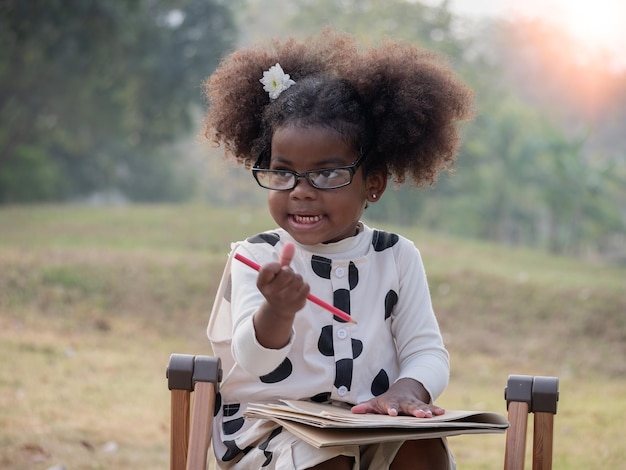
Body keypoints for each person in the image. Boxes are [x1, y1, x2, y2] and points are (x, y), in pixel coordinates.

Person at [203, 30, 473, 470]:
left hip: (370, 425)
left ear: (375, 183)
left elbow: (427, 352)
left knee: (424, 451)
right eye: (283, 173)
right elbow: (252, 360)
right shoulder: (258, 258)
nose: (301, 192)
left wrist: (409, 389)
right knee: (329, 460)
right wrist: (278, 310)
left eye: (327, 175)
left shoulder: (397, 257)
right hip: (275, 432)